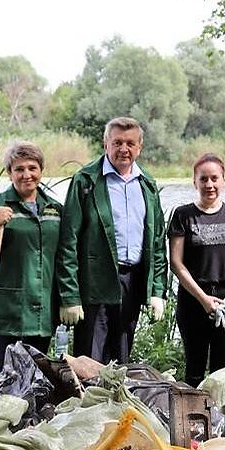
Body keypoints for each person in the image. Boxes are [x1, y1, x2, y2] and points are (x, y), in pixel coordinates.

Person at [57, 117, 167, 364]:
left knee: (121, 361)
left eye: (130, 143)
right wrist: (70, 296)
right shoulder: (86, 181)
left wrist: (158, 290)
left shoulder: (147, 185)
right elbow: (68, 242)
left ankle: (118, 403)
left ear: (139, 147)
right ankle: (87, 402)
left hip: (133, 283)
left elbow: (158, 242)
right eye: (117, 142)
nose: (123, 149)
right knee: (90, 360)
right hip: (95, 283)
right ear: (105, 143)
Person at [0, 141, 62, 369]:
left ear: (41, 170)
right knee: (10, 375)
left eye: (32, 168)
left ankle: (33, 406)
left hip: (43, 311)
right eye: (19, 169)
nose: (26, 174)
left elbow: (65, 258)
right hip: (10, 311)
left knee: (39, 376)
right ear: (10, 173)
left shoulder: (55, 210)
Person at [168, 153, 225, 387]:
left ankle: (220, 421)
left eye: (214, 178)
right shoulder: (183, 215)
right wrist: (203, 299)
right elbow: (176, 263)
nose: (209, 185)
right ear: (195, 181)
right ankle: (191, 420)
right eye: (203, 179)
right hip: (194, 300)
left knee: (222, 372)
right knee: (194, 370)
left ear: (223, 180)